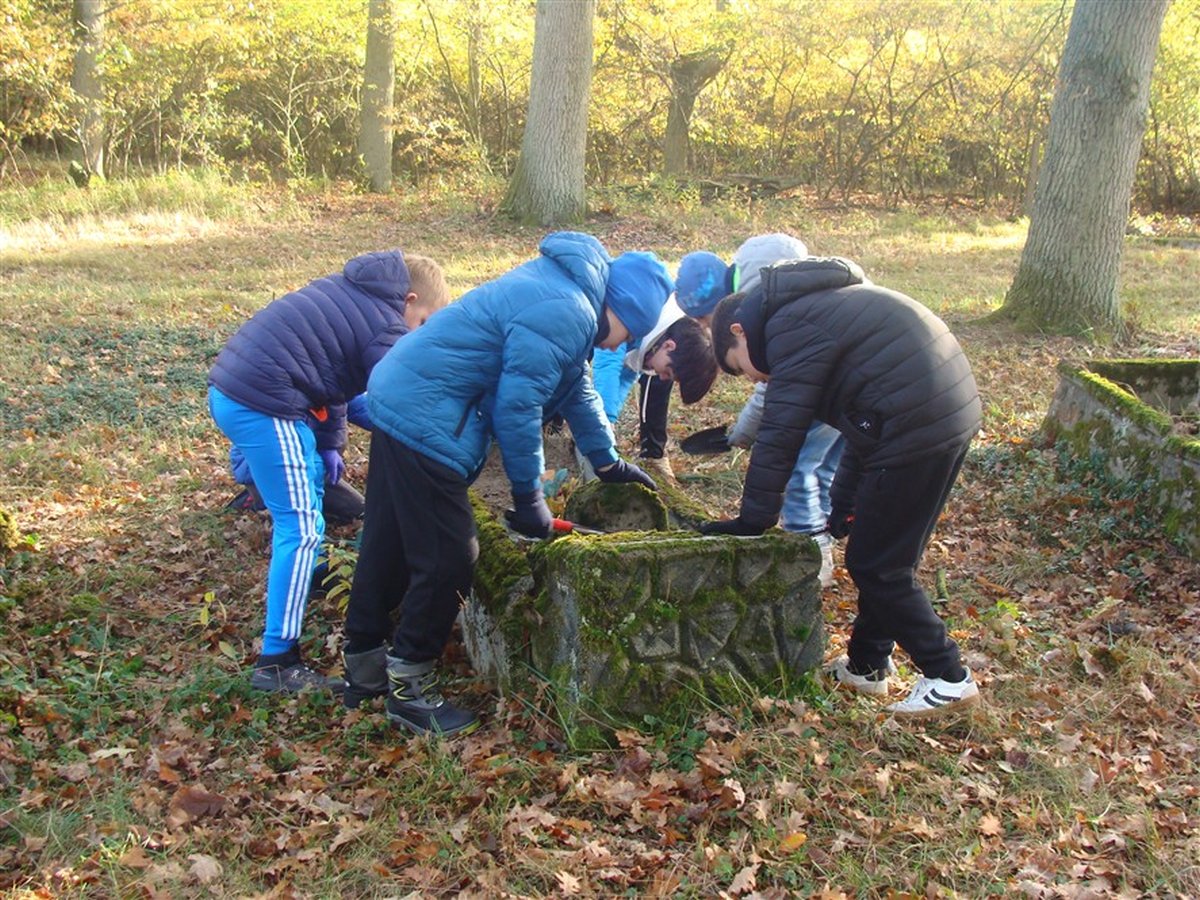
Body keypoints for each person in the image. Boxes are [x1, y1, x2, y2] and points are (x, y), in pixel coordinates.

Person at [341, 232, 672, 736]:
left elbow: (575, 388)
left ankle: (364, 669)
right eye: (630, 333)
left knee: (388, 540)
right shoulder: (567, 310)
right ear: (621, 308)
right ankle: (409, 689)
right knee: (451, 557)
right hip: (426, 417)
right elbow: (519, 408)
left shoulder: (567, 295)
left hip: (402, 396)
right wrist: (528, 497)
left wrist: (608, 462)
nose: (623, 346)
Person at [702, 256, 983, 718]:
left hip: (915, 424)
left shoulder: (787, 328)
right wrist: (845, 502)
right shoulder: (812, 314)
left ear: (739, 331)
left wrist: (752, 520)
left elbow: (780, 436)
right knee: (885, 558)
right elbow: (859, 420)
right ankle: (867, 666)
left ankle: (948, 676)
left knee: (877, 566)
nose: (756, 379)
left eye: (742, 368)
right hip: (939, 414)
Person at [208, 250, 450, 693]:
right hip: (266, 403)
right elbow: (401, 393)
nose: (416, 335)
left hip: (242, 390)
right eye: (422, 323)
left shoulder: (354, 294)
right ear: (410, 300)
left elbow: (335, 379)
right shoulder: (386, 324)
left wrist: (329, 444)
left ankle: (311, 571)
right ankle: (277, 662)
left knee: (308, 497)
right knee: (300, 527)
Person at [676, 234, 844, 586]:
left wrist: (742, 433)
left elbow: (772, 388)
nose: (707, 329)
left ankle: (811, 555)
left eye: (705, 320)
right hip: (843, 381)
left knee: (799, 465)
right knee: (826, 464)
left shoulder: (756, 305)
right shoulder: (773, 286)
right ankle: (825, 532)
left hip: (824, 383)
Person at [592, 295, 720, 481]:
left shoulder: (654, 347)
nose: (662, 378)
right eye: (667, 372)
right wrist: (603, 418)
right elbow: (608, 364)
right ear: (669, 346)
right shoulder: (642, 314)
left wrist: (609, 419)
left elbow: (626, 375)